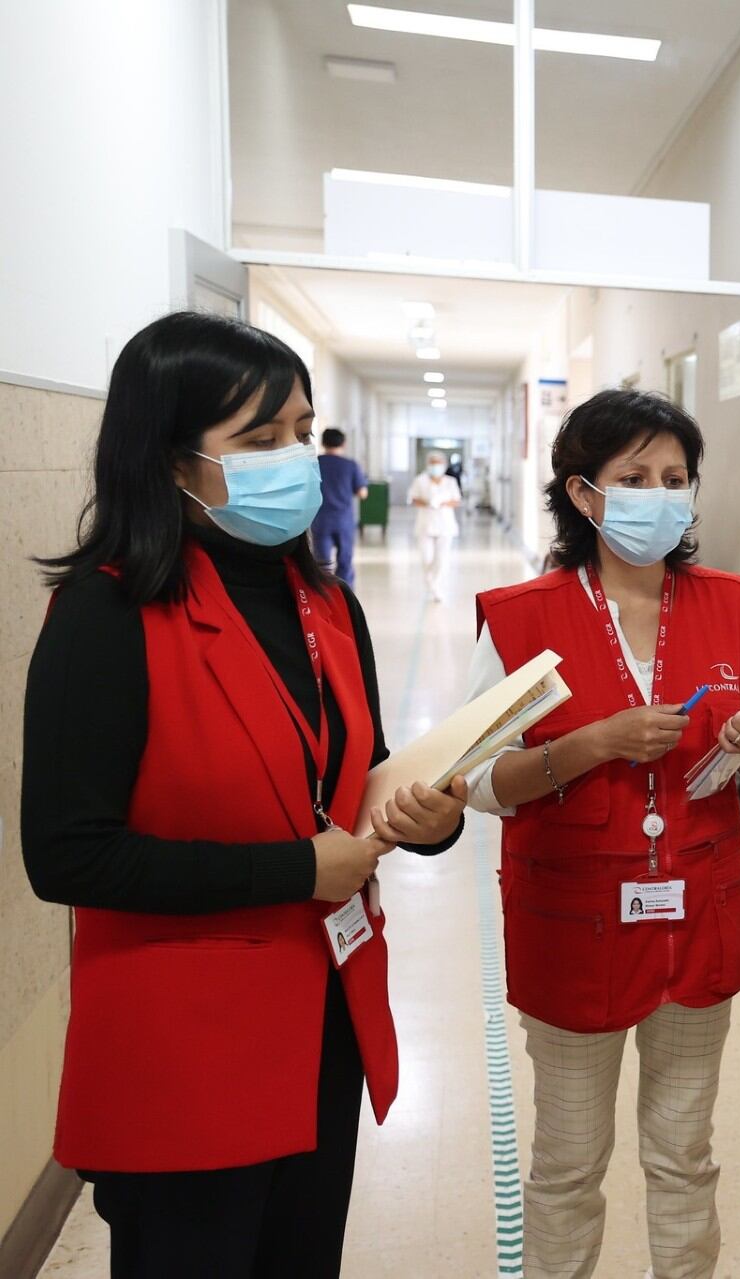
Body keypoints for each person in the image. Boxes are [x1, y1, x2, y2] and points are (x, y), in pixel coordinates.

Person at [20, 311, 467, 1277]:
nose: (294, 460)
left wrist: (430, 820)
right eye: (259, 441)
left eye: (301, 433)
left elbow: (361, 768)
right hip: (184, 1043)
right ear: (173, 462)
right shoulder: (107, 613)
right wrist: (300, 867)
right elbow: (66, 852)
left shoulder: (328, 603)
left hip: (321, 1022)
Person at [463, 389, 740, 1279]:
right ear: (583, 493)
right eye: (634, 477)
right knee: (568, 1166)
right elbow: (476, 784)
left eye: (676, 477)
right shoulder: (519, 617)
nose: (661, 494)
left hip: (700, 918)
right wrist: (585, 746)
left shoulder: (734, 606)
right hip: (574, 929)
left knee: (684, 1155)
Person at [313, 427, 368, 586]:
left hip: (320, 519)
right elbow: (362, 493)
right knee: (345, 561)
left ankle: (323, 597)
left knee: (322, 563)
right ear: (343, 443)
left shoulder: (315, 464)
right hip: (344, 520)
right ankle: (345, 597)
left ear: (323, 442)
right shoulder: (350, 465)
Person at [410, 450, 461, 602]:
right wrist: (428, 503)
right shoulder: (420, 480)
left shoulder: (450, 481)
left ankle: (435, 586)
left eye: (438, 464)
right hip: (425, 525)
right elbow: (413, 499)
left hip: (445, 526)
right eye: (432, 464)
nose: (435, 467)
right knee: (426, 559)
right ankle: (432, 586)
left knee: (441, 559)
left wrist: (442, 503)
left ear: (444, 465)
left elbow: (456, 500)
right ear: (428, 465)